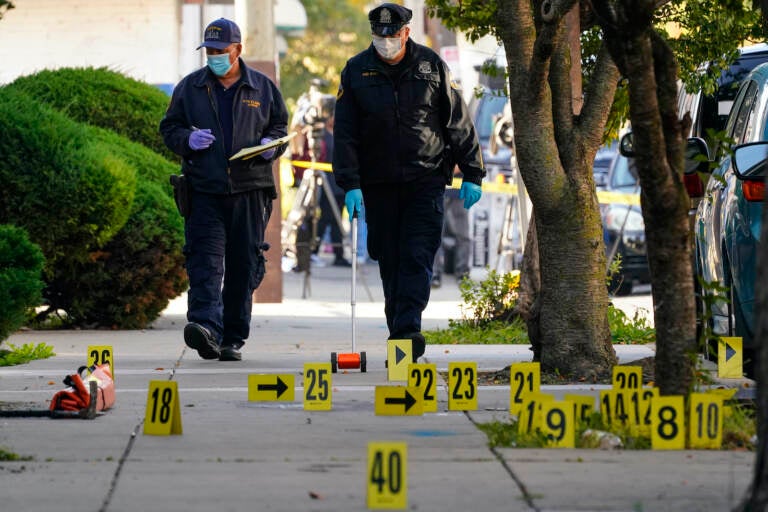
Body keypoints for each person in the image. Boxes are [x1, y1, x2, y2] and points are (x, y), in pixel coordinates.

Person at [333, 3, 485, 362]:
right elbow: (345, 134)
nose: (384, 41)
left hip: (425, 179)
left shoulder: (431, 65)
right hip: (378, 183)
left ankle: (405, 333)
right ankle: (400, 332)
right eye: (378, 35)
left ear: (405, 33)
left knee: (417, 255)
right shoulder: (356, 71)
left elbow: (457, 121)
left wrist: (473, 172)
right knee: (390, 259)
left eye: (391, 35)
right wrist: (350, 184)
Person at [159, 18, 288, 362]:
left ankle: (232, 337)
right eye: (209, 51)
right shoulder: (190, 88)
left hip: (250, 190)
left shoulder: (262, 87)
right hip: (204, 190)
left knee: (243, 265)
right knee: (205, 262)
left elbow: (280, 126)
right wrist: (188, 139)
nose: (214, 57)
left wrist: (272, 145)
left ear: (237, 50)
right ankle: (205, 327)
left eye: (220, 51)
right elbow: (169, 128)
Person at [432, 166, 472, 288]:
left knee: (463, 235)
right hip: (438, 190)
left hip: (458, 192)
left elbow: (466, 162)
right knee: (434, 234)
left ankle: (462, 273)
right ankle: (434, 273)